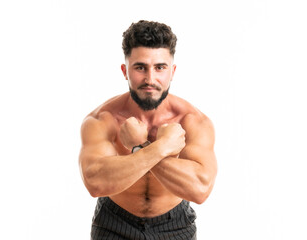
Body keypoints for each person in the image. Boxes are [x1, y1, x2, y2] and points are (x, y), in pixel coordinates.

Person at [79, 20, 217, 240]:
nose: (150, 79)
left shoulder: (193, 121)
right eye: (140, 67)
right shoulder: (102, 119)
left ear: (172, 71)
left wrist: (139, 146)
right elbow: (95, 183)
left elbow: (200, 190)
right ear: (125, 71)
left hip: (175, 224)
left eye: (160, 67)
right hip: (114, 222)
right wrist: (161, 148)